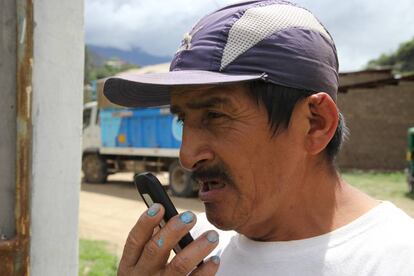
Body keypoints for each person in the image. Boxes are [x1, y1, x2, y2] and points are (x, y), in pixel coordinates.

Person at [104, 1, 414, 275]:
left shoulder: (398, 260)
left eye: (215, 115)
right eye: (182, 119)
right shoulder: (190, 254)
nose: (187, 155)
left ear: (315, 124)